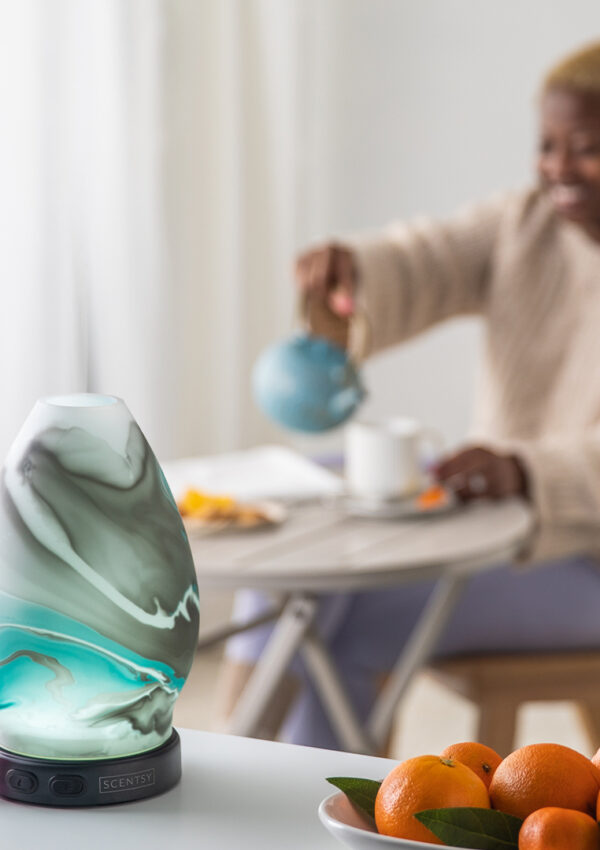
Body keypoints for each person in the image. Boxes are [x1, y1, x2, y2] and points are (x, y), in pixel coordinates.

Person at [218, 40, 600, 751]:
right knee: (307, 498)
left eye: (584, 147)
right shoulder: (527, 222)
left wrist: (526, 471)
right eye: (546, 145)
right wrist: (353, 269)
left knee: (335, 613)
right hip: (499, 525)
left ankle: (258, 768)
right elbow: (431, 255)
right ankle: (257, 756)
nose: (557, 169)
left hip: (583, 565)